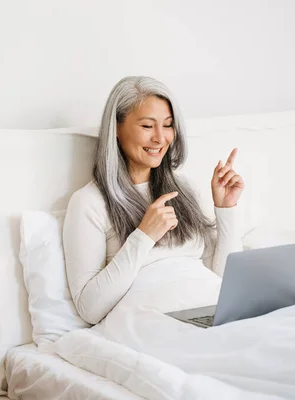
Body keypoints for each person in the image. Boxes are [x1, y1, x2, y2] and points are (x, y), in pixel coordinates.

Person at [63, 76, 244, 324]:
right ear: (116, 128)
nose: (160, 138)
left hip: (212, 314)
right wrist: (143, 237)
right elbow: (90, 309)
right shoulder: (89, 202)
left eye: (168, 125)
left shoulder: (184, 190)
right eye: (147, 126)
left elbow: (225, 281)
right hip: (151, 324)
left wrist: (226, 209)